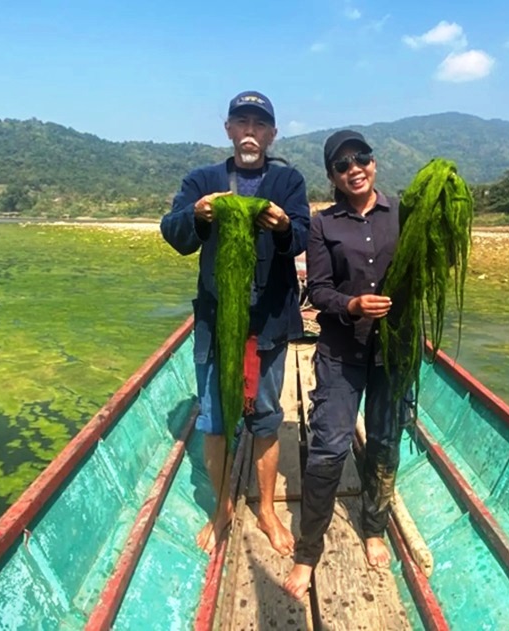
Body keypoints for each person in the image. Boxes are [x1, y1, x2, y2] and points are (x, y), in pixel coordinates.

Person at [160, 90, 310, 555]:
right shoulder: (203, 180)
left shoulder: (287, 181)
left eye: (259, 124)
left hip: (267, 322)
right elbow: (173, 232)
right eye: (241, 122)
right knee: (216, 419)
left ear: (271, 134)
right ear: (228, 129)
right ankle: (223, 504)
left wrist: (284, 226)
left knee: (265, 418)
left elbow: (302, 235)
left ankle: (265, 509)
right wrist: (196, 214)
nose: (250, 132)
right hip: (214, 321)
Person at [284, 130, 410, 599]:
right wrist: (352, 305)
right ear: (332, 175)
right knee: (329, 448)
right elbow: (317, 290)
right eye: (342, 164)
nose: (354, 168)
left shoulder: (402, 212)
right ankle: (308, 550)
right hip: (341, 351)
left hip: (392, 353)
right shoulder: (323, 223)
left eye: (362, 158)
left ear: (374, 162)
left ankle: (373, 527)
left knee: (383, 442)